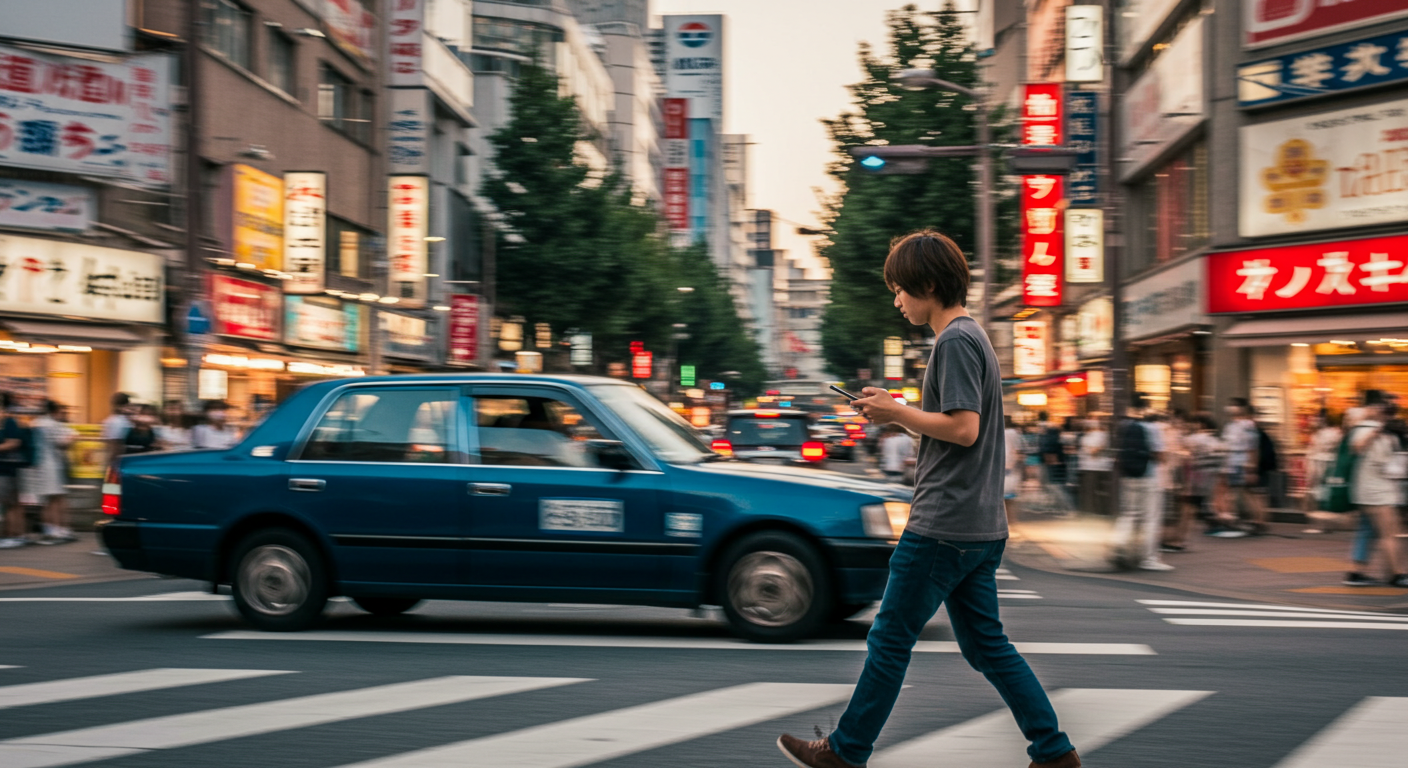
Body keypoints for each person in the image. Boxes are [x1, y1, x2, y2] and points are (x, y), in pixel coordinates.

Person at [777, 231, 1078, 768]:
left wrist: (897, 413)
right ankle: (1053, 753)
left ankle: (844, 753)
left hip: (944, 524)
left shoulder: (956, 341)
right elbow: (954, 434)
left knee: (890, 639)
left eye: (900, 289)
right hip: (977, 526)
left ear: (930, 285)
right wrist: (899, 415)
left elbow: (963, 429)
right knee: (986, 646)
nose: (896, 300)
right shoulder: (971, 337)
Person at [1344, 392, 1407, 587]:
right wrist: (1379, 431)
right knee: (1390, 533)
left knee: (1366, 530)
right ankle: (1396, 575)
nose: (1387, 411)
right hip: (1376, 490)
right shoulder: (1369, 429)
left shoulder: (1372, 428)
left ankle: (1356, 572)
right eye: (1384, 407)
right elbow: (1357, 447)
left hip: (1370, 489)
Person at [1111, 397, 1172, 571]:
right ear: (1147, 407)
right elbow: (1160, 455)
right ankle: (1148, 559)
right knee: (1150, 519)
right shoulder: (1152, 428)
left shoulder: (1124, 426)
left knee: (1129, 514)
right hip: (1148, 476)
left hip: (1128, 476)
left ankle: (1120, 545)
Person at [19, 399, 77, 544]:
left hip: (38, 467)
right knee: (54, 499)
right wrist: (72, 438)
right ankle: (55, 530)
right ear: (54, 410)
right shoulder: (51, 424)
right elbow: (63, 442)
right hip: (51, 466)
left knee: (49, 500)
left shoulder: (36, 423)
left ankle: (52, 529)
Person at [1218, 397, 1269, 536]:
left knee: (1250, 493)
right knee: (1231, 492)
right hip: (1232, 462)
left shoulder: (1248, 425)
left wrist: (1251, 467)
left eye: (1234, 406)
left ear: (1242, 408)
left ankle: (1259, 522)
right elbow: (1226, 446)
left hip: (1243, 462)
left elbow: (1252, 448)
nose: (1231, 408)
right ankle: (1231, 519)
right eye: (1230, 405)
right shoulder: (1230, 426)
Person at [1302, 410, 1344, 533]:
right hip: (1328, 466)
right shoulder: (1335, 433)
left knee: (1318, 496)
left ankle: (1319, 525)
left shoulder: (1323, 434)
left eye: (1317, 418)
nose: (1314, 420)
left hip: (1320, 466)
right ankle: (1325, 524)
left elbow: (1315, 451)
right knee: (1324, 496)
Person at [0, 393, 29, 549]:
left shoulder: (8, 422)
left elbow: (14, 443)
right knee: (13, 503)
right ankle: (18, 535)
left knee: (10, 504)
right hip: (7, 468)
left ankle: (13, 535)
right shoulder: (6, 421)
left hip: (7, 469)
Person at [1078, 417, 1112, 515]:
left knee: (1092, 491)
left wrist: (1088, 448)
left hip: (1094, 467)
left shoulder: (1100, 435)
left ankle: (1095, 512)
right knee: (1092, 491)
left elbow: (1094, 450)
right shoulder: (1093, 435)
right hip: (1092, 467)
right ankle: (1094, 511)